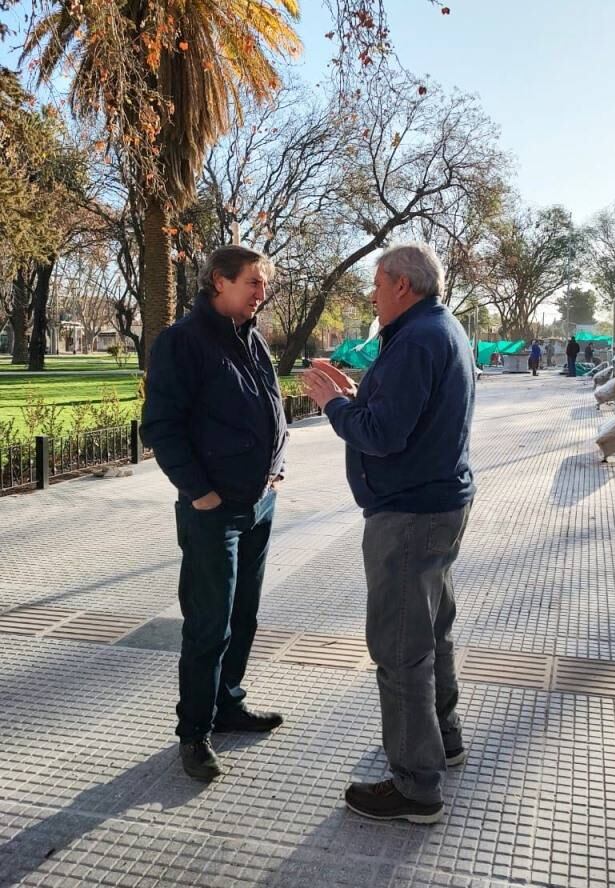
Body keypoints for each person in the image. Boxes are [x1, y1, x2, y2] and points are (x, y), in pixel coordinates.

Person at [304, 243, 475, 825]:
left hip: (408, 517)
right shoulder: (439, 329)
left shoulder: (418, 337)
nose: (371, 295)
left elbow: (382, 434)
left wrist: (332, 404)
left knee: (401, 651)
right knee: (432, 633)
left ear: (402, 285)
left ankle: (415, 785)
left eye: (376, 284)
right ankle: (442, 741)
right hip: (436, 506)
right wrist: (356, 396)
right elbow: (404, 415)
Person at [141, 245, 286, 781]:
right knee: (209, 624)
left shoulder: (252, 339)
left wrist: (277, 468)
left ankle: (228, 704)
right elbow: (161, 427)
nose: (260, 293)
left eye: (262, 284)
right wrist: (200, 493)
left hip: (259, 503)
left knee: (244, 613)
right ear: (218, 283)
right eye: (252, 282)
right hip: (213, 511)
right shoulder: (183, 342)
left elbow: (271, 408)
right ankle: (194, 731)